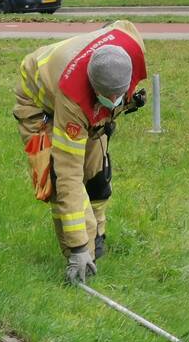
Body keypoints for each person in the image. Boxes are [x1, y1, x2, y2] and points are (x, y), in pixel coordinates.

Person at [13, 21, 147, 283]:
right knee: (54, 177)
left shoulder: (130, 45)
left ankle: (97, 240)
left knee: (97, 175)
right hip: (39, 105)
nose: (115, 100)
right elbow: (69, 175)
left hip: (80, 88)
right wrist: (78, 247)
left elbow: (119, 26)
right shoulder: (73, 98)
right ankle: (77, 254)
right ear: (93, 89)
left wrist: (122, 105)